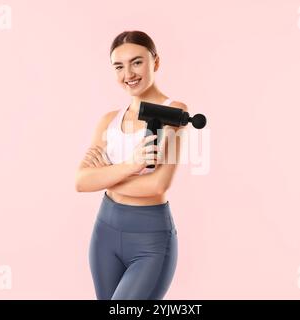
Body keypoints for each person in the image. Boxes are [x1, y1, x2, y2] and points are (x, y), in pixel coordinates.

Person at [75, 30, 188, 300]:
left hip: (150, 240)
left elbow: (158, 184)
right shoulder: (108, 121)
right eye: (119, 66)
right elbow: (81, 182)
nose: (129, 74)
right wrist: (131, 165)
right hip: (104, 233)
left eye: (137, 62)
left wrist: (105, 175)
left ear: (155, 62)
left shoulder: (175, 112)